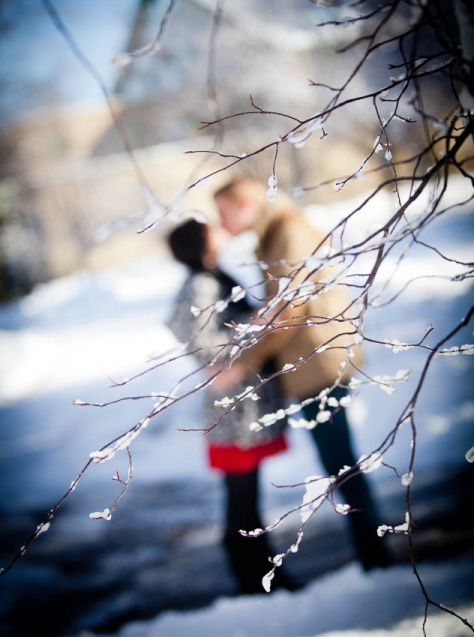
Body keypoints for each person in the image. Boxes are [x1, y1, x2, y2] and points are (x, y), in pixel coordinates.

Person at [211, 176, 392, 571]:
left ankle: (375, 558)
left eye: (224, 212)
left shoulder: (289, 232)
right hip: (309, 365)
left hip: (318, 365)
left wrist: (242, 363)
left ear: (245, 203)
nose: (221, 221)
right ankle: (372, 553)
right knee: (338, 462)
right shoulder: (274, 235)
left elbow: (289, 311)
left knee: (340, 464)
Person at [167, 217, 300, 593]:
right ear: (200, 242)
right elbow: (200, 342)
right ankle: (255, 575)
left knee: (245, 495)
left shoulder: (211, 276)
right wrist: (256, 324)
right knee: (242, 497)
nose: (217, 230)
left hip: (241, 405)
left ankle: (257, 570)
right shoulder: (202, 283)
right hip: (233, 409)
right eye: (209, 229)